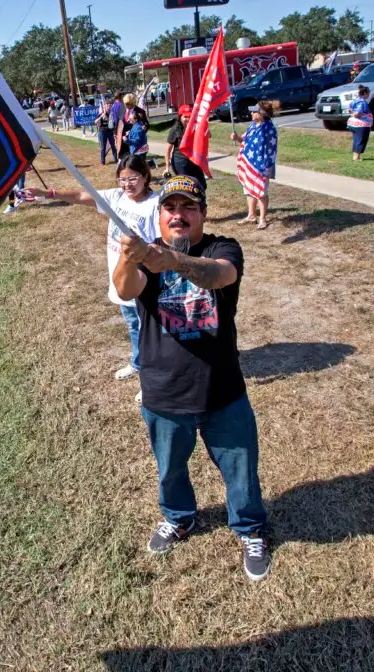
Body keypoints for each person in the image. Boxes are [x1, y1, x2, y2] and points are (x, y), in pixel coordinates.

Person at [112, 175, 270, 581]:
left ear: (203, 213)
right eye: (171, 208)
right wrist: (130, 257)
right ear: (160, 215)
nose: (179, 215)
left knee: (240, 467)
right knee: (170, 468)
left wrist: (176, 262)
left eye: (188, 208)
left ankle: (250, 528)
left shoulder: (222, 247)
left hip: (222, 388)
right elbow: (125, 290)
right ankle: (179, 518)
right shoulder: (146, 252)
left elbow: (220, 275)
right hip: (164, 390)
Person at [21, 156, 160, 397]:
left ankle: (152, 380)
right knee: (133, 325)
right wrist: (49, 193)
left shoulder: (155, 205)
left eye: (133, 179)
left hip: (143, 282)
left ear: (146, 176)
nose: (127, 184)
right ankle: (138, 363)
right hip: (120, 279)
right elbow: (82, 197)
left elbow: (163, 245)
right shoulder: (116, 197)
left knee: (151, 331)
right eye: (122, 179)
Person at [231, 101, 279, 228]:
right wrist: (237, 138)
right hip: (248, 162)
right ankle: (251, 215)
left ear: (261, 114)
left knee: (261, 191)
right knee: (248, 190)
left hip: (261, 165)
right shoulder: (253, 125)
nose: (251, 113)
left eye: (254, 111)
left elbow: (269, 150)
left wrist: (266, 167)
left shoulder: (269, 129)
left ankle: (262, 219)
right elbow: (244, 139)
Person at [165, 104, 207, 189]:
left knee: (201, 184)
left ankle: (201, 201)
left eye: (190, 116)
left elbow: (208, 135)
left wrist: (204, 128)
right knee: (186, 186)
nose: (188, 119)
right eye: (185, 117)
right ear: (180, 117)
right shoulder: (175, 129)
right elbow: (168, 149)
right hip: (181, 161)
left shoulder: (195, 126)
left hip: (194, 159)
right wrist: (167, 167)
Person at [118, 93, 149, 158]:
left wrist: (145, 127)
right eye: (125, 104)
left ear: (133, 103)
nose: (126, 106)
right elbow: (119, 122)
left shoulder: (140, 111)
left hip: (135, 142)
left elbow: (146, 123)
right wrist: (116, 133)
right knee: (125, 160)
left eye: (128, 104)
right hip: (124, 141)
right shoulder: (121, 109)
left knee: (136, 162)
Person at [348, 85, 372, 161]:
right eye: (368, 93)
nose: (368, 95)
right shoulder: (362, 103)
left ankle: (355, 156)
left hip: (352, 124)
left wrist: (353, 112)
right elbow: (357, 114)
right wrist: (362, 114)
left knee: (356, 139)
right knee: (361, 140)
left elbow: (349, 109)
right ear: (364, 93)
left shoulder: (355, 100)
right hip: (361, 124)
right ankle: (356, 157)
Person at [96, 95, 118, 165]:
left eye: (109, 105)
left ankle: (116, 159)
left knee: (113, 146)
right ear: (105, 106)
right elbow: (95, 121)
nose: (108, 106)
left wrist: (108, 119)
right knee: (103, 147)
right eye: (107, 105)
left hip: (110, 131)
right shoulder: (101, 113)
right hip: (102, 132)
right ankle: (103, 161)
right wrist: (102, 116)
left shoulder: (112, 114)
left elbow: (113, 124)